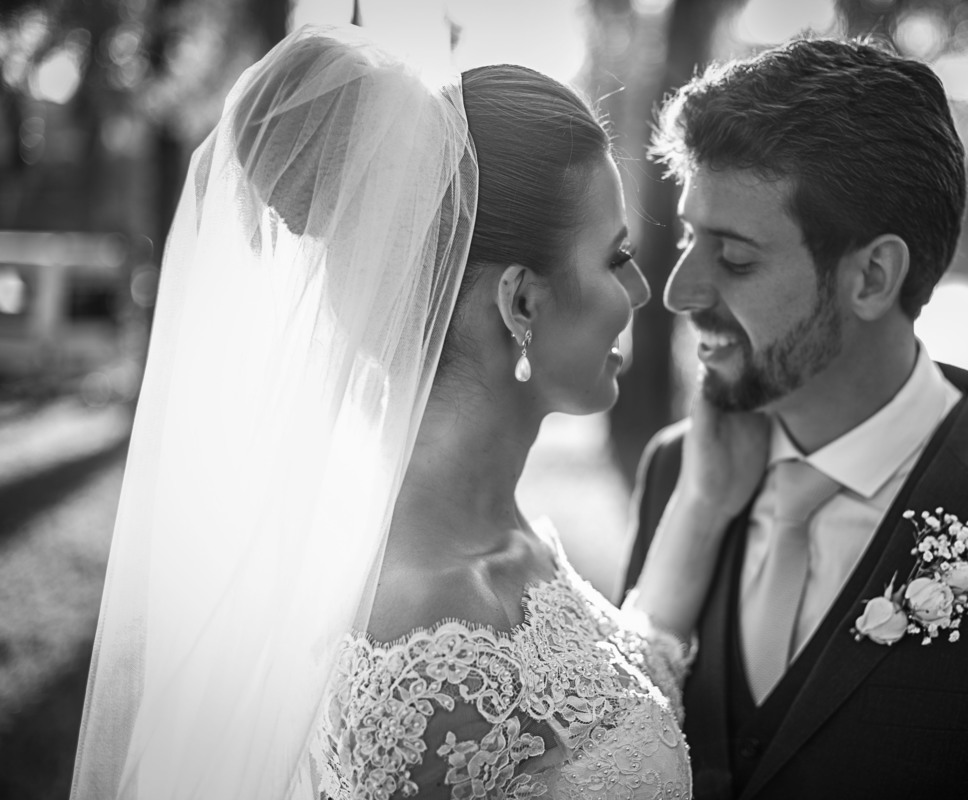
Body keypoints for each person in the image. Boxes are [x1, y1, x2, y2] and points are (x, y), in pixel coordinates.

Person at [70, 22, 733, 800]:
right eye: (616, 258)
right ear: (521, 301)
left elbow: (624, 684)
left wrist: (704, 500)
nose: (643, 293)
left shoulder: (509, 541)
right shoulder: (427, 645)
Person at [621, 36, 968, 799]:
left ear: (873, 276)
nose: (680, 292)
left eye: (733, 258)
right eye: (690, 238)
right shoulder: (673, 473)